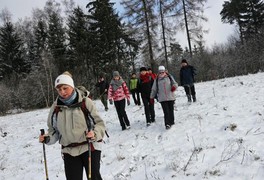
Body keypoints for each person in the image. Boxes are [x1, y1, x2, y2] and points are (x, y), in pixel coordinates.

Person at [39, 71, 106, 180]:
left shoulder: (85, 102)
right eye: (59, 89)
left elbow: (99, 124)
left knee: (94, 178)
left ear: (72, 86)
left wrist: (94, 133)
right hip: (69, 150)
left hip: (89, 147)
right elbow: (54, 131)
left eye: (65, 88)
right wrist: (47, 138)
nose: (62, 92)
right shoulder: (56, 107)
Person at [150, 66, 178, 130]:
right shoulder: (156, 80)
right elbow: (154, 89)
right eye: (160, 72)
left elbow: (175, 84)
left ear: (165, 71)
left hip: (170, 97)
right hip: (162, 98)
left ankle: (172, 121)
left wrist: (174, 87)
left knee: (171, 110)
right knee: (166, 112)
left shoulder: (169, 77)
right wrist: (151, 97)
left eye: (163, 71)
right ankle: (167, 124)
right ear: (158, 72)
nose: (161, 73)